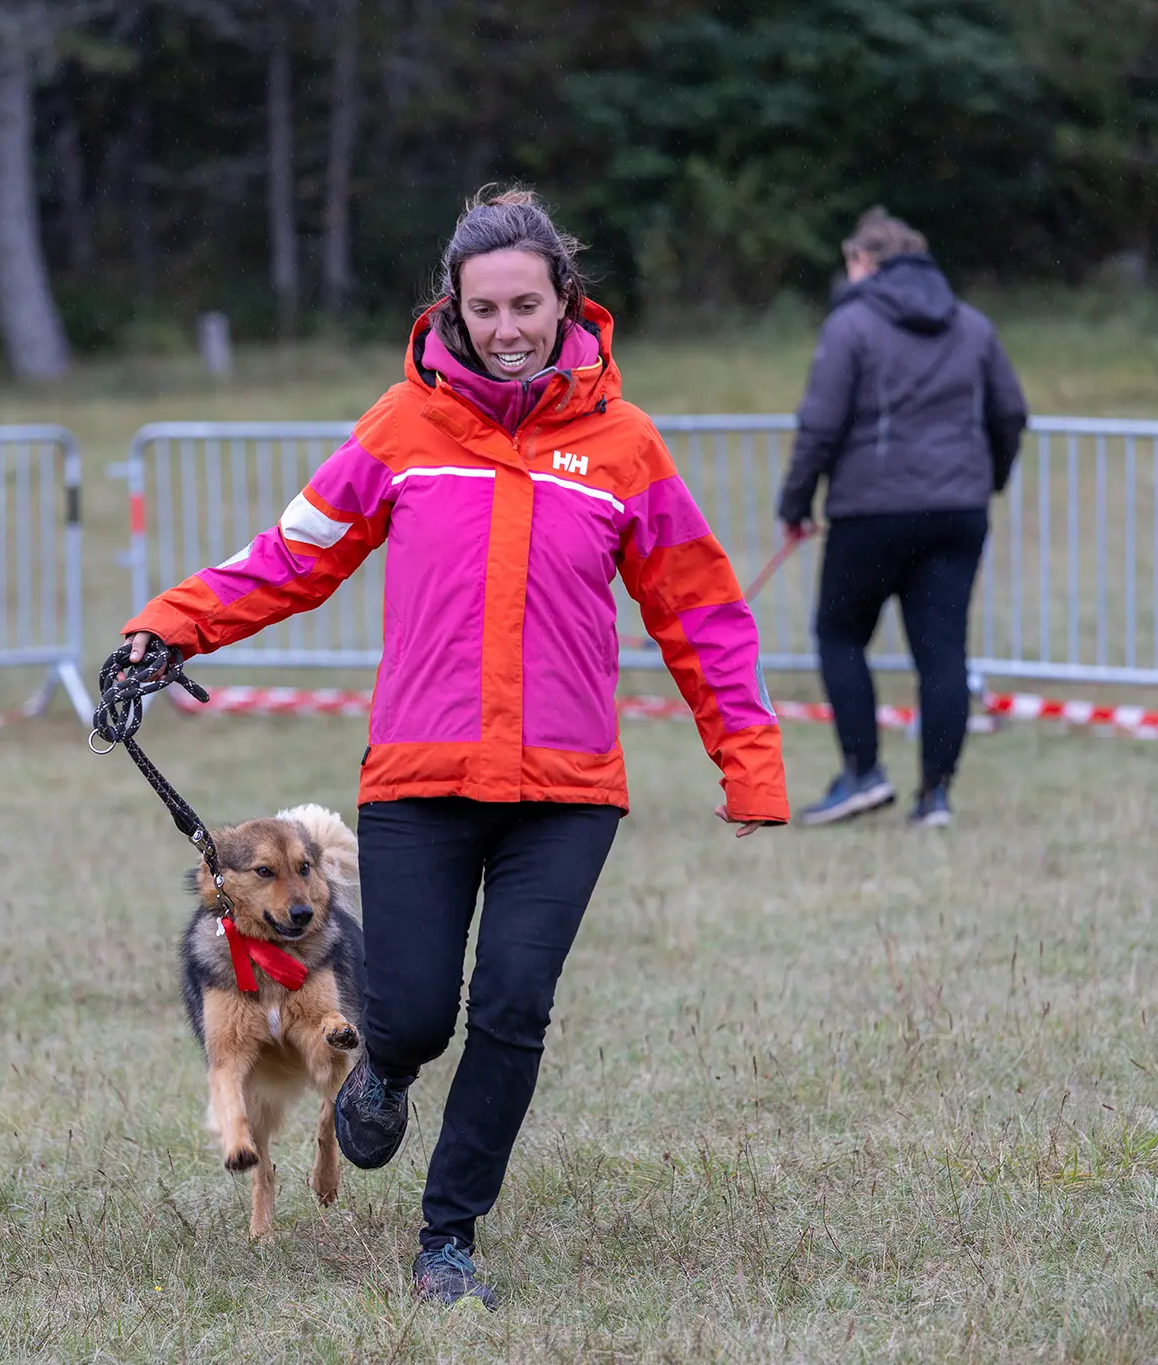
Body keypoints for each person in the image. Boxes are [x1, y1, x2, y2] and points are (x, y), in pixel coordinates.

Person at [119, 187, 789, 1308]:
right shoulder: (400, 430)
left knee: (514, 1007)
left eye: (527, 304)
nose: (508, 327)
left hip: (567, 791)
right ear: (454, 309)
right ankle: (383, 1070)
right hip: (422, 779)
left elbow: (700, 609)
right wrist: (165, 626)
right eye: (486, 309)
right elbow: (291, 557)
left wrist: (749, 761)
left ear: (563, 302)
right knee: (416, 1011)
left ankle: (448, 1239)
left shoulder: (622, 446)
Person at [776, 208, 1028, 829]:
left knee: (840, 636)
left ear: (862, 261)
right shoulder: (971, 324)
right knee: (942, 654)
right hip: (957, 512)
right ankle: (934, 796)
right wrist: (987, 478)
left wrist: (795, 501)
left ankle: (862, 773)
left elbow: (820, 424)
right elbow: (1011, 413)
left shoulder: (851, 325)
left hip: (871, 511)